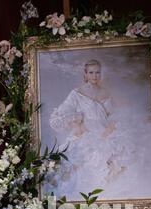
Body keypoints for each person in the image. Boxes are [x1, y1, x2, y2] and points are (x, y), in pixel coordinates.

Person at [46, 59, 134, 200]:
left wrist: (110, 129)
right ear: (85, 74)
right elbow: (59, 117)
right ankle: (86, 203)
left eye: (97, 72)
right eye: (91, 72)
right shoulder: (76, 94)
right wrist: (76, 120)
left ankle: (108, 201)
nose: (95, 76)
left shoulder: (105, 92)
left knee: (117, 164)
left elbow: (112, 115)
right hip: (86, 135)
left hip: (106, 134)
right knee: (87, 166)